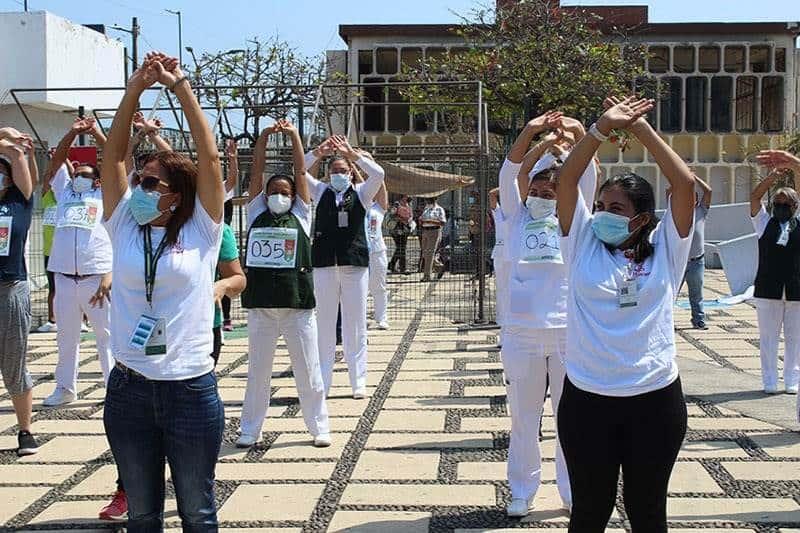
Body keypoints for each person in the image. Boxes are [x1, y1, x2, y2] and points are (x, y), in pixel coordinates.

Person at [100, 52, 226, 529]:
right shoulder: (125, 226)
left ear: (176, 193)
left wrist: (180, 87)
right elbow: (111, 157)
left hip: (190, 388)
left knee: (196, 509)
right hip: (130, 387)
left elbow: (209, 158)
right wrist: (134, 88)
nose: (139, 188)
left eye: (151, 183)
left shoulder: (201, 230)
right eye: (139, 180)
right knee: (143, 513)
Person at [556, 96, 694, 531]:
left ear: (641, 220)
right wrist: (598, 130)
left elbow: (686, 185)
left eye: (615, 209)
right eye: (599, 205)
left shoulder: (667, 251)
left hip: (654, 399)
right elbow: (565, 181)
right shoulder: (581, 242)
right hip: (586, 399)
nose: (601, 214)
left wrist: (641, 131)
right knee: (589, 512)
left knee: (648, 511)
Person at [498, 111, 595, 518]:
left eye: (553, 189)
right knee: (523, 417)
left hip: (568, 333)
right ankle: (522, 489)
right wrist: (532, 132)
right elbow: (510, 170)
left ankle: (573, 491)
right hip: (521, 334)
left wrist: (580, 136)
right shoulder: (514, 217)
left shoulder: (573, 221)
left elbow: (587, 175)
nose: (544, 193)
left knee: (570, 419)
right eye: (537, 187)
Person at [236, 119, 331, 448]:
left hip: (297, 308)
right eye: (274, 192)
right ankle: (250, 428)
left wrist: (292, 136)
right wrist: (263, 137)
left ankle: (319, 426)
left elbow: (302, 172)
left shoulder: (302, 216)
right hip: (262, 307)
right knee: (257, 374)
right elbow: (257, 170)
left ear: (294, 196)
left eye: (284, 192)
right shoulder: (255, 212)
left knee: (308, 371)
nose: (279, 196)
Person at [304, 135, 385, 397]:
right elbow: (299, 171)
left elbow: (379, 173)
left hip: (354, 264)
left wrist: (353, 155)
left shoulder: (361, 194)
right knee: (325, 324)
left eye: (343, 171)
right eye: (334, 171)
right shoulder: (321, 191)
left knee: (356, 324)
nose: (338, 174)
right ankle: (323, 379)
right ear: (328, 174)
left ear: (351, 173)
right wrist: (317, 152)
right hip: (325, 264)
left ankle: (357, 380)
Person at [42, 118, 115, 407]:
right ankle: (65, 388)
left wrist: (96, 132)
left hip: (96, 277)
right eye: (76, 174)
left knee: (106, 335)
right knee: (66, 336)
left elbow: (113, 158)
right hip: (63, 277)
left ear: (96, 180)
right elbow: (57, 162)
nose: (78, 177)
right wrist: (72, 132)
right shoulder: (64, 193)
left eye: (85, 174)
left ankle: (113, 388)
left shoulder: (103, 193)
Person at [0, 129, 38, 457]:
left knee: (14, 363)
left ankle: (25, 430)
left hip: (11, 288)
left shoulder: (20, 200)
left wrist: (11, 146)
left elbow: (17, 156)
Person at [750, 149, 800, 395]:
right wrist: (772, 178)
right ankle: (769, 381)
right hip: (768, 290)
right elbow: (754, 199)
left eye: (786, 204)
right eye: (778, 203)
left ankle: (792, 380)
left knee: (795, 340)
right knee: (768, 339)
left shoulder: (799, 223)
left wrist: (795, 168)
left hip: (795, 291)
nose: (781, 206)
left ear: (794, 206)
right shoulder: (764, 223)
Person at [670, 175, 712, 329]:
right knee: (671, 293)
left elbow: (708, 191)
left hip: (697, 261)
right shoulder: (677, 212)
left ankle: (698, 320)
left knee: (696, 294)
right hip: (679, 261)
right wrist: (681, 178)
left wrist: (694, 178)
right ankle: (665, 320)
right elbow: (670, 193)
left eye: (693, 197)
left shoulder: (701, 210)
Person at [37, 149, 58, 333]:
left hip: (66, 252)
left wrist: (64, 160)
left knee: (72, 289)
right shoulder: (48, 199)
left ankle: (83, 319)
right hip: (49, 252)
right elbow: (46, 179)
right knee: (53, 288)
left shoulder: (70, 200)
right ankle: (52, 320)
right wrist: (53, 160)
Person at [221, 138, 239, 332]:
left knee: (224, 280)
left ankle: (226, 318)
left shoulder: (217, 192)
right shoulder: (192, 192)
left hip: (218, 243)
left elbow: (232, 180)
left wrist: (233, 159)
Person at [366, 182, 390, 330]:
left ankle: (382, 318)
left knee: (379, 286)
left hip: (377, 251)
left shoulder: (378, 208)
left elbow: (381, 185)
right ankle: (359, 318)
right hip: (359, 252)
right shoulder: (356, 206)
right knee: (359, 289)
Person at [488, 187, 508, 345]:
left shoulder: (524, 212)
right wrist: (509, 183)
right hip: (501, 255)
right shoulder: (500, 213)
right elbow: (492, 194)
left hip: (517, 256)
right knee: (502, 294)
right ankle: (503, 333)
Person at [418, 196, 446, 282]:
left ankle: (427, 276)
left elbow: (442, 222)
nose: (428, 201)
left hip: (434, 231)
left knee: (430, 253)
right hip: (425, 231)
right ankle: (440, 267)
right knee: (425, 254)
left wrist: (430, 221)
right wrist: (421, 220)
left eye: (430, 200)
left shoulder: (439, 209)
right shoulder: (426, 209)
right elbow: (422, 219)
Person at [388, 195, 413, 274]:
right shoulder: (397, 204)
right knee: (401, 248)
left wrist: (409, 220)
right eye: (407, 195)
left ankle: (393, 265)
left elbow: (411, 215)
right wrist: (401, 219)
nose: (409, 196)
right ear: (403, 196)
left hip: (405, 228)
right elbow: (391, 214)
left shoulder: (409, 205)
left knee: (401, 248)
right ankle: (402, 268)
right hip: (397, 229)